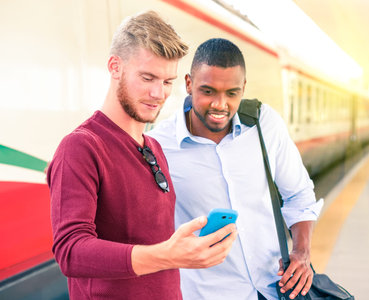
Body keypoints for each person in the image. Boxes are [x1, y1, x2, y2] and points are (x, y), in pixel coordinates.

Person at [46, 12, 237, 300]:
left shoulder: (155, 147)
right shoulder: (81, 147)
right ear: (115, 67)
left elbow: (154, 243)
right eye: (147, 77)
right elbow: (70, 252)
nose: (158, 93)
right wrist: (167, 255)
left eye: (168, 81)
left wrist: (187, 248)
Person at [149, 38, 323, 300]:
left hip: (274, 290)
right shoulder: (159, 145)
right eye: (208, 91)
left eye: (232, 93)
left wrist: (302, 250)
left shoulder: (265, 124)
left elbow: (299, 194)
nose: (220, 104)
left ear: (243, 88)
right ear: (188, 84)